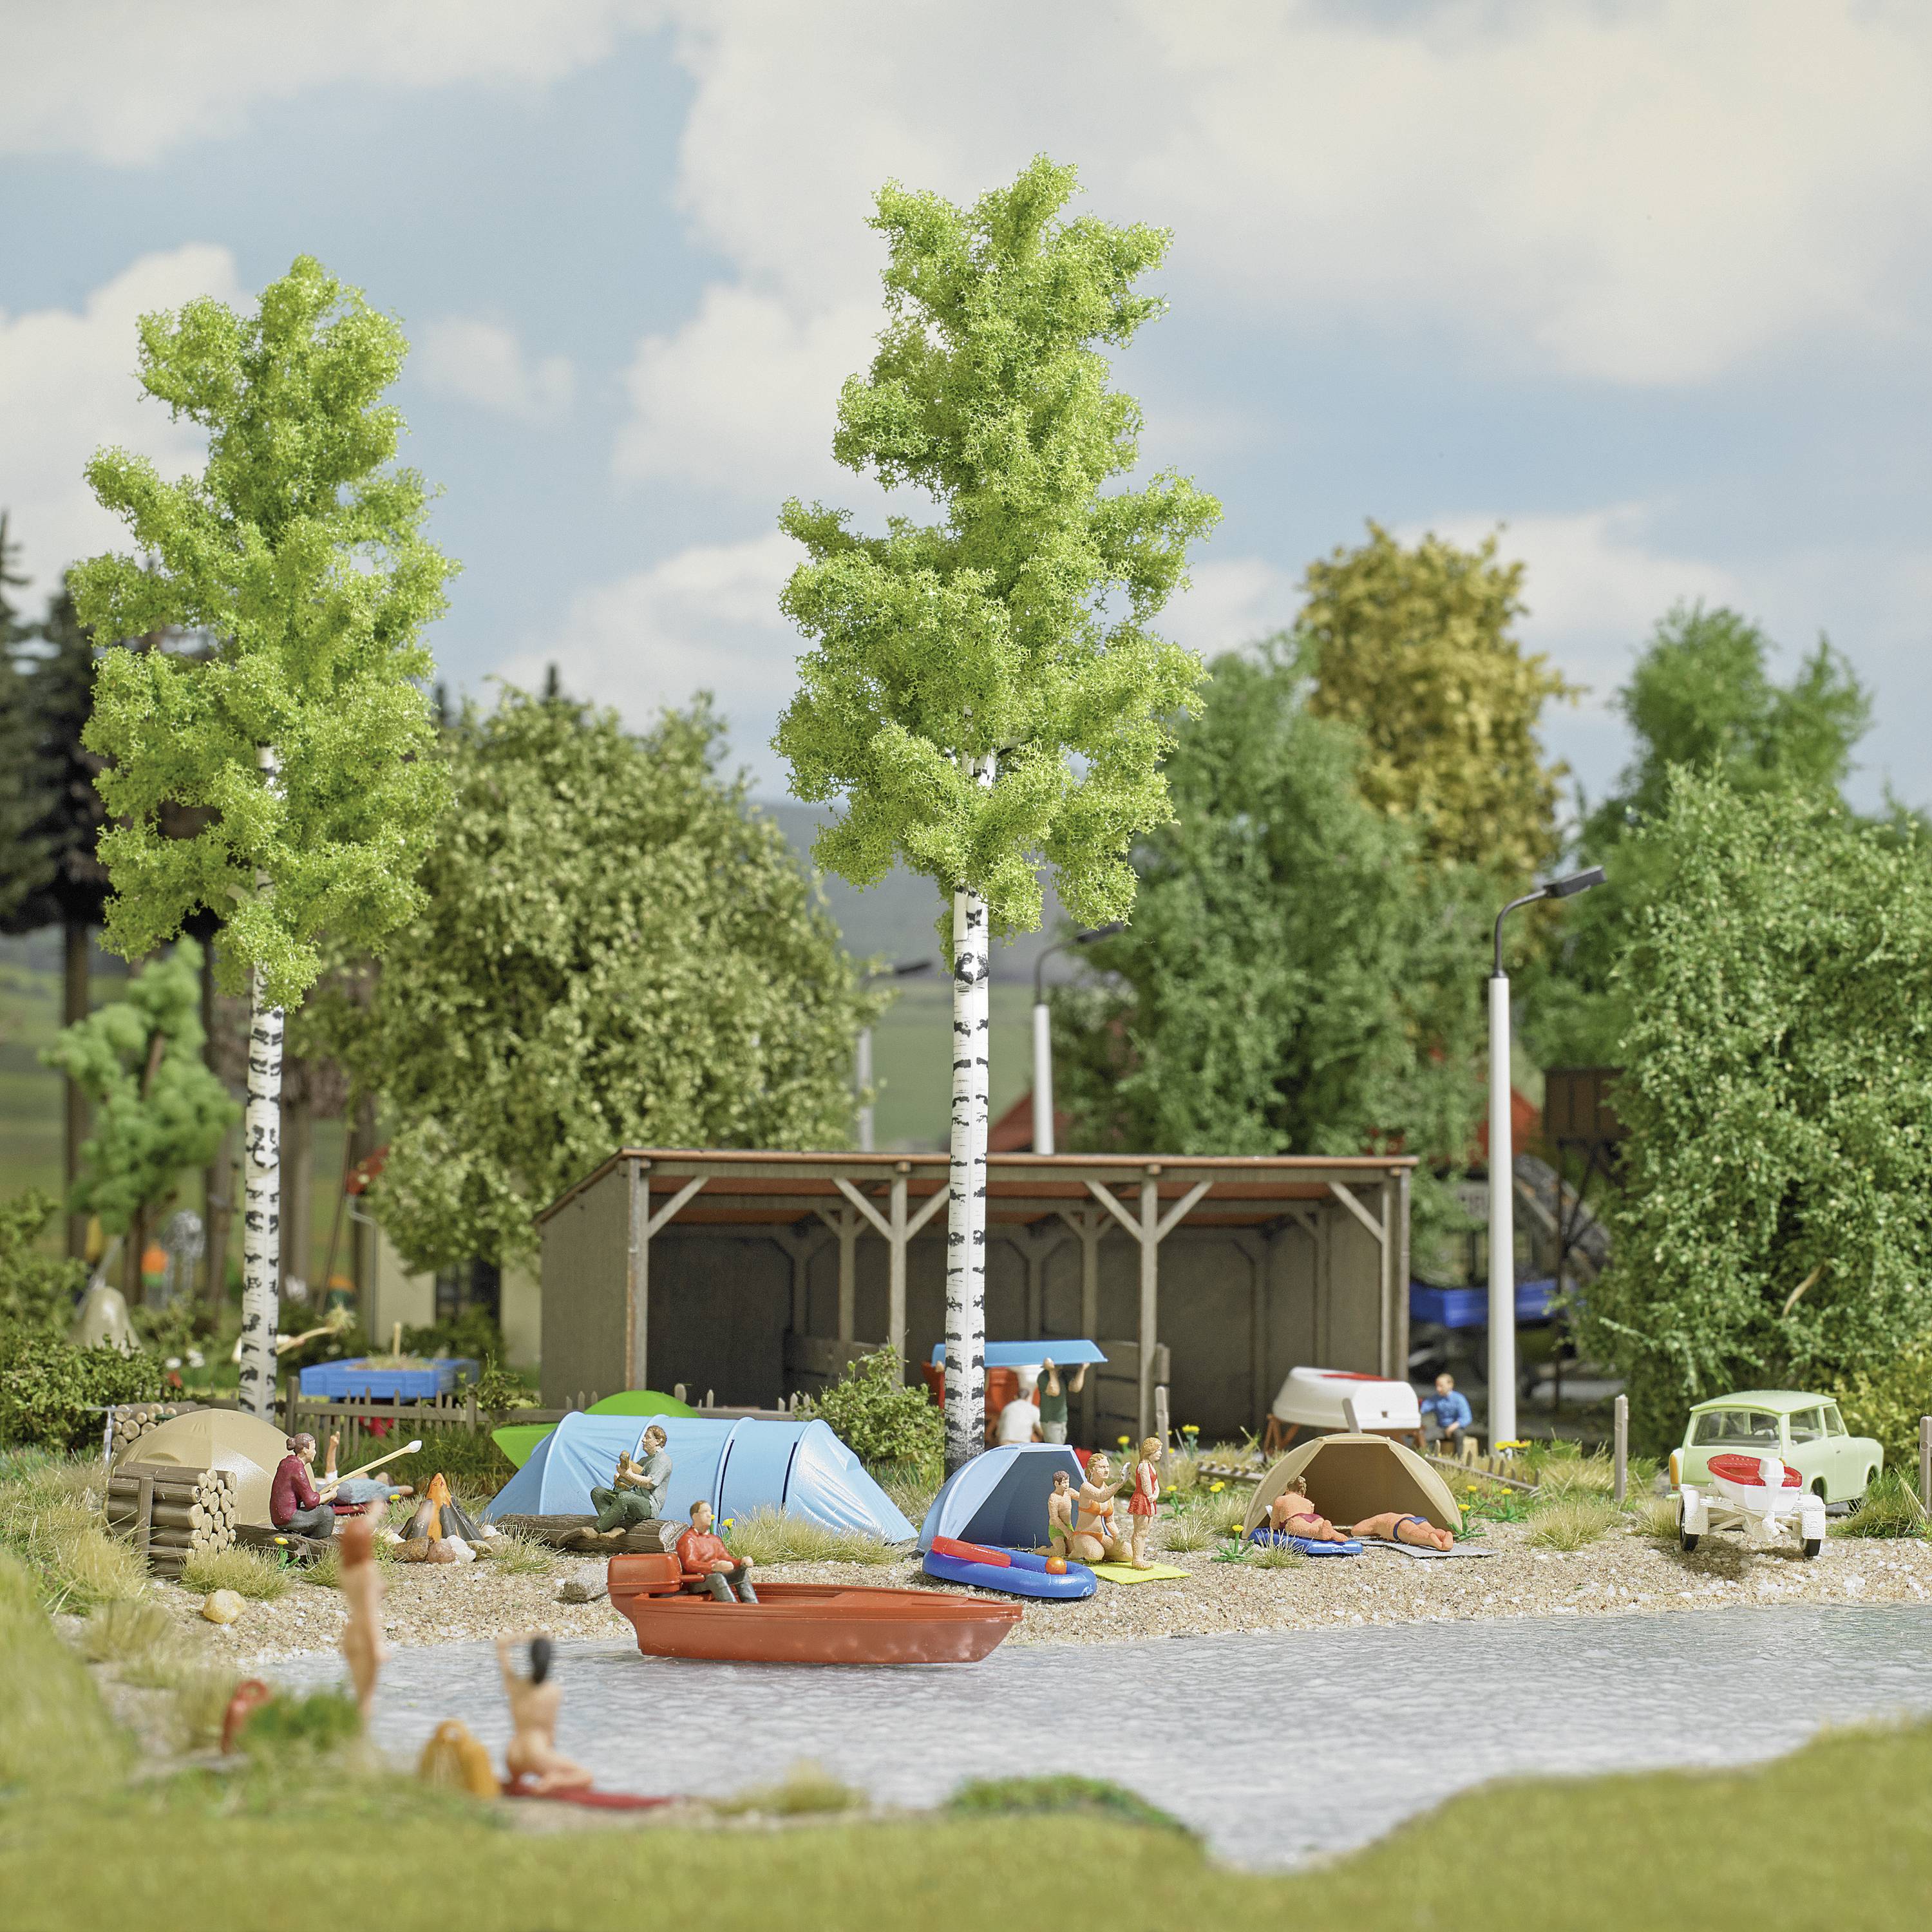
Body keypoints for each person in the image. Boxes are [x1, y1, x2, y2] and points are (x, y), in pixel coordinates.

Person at [497, 1634, 593, 1794]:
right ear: (550, 1660)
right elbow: (550, 1734)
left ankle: (513, 1782)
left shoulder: (515, 1686)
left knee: (514, 1784)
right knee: (586, 1776)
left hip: (513, 1754)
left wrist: (515, 1640)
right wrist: (549, 1760)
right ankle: (554, 1781)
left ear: (530, 1658)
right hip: (536, 1752)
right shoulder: (553, 1692)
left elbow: (502, 1650)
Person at [337, 1515, 388, 1716]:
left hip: (351, 1635)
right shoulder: (366, 1572)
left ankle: (358, 1734)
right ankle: (361, 1737)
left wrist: (374, 1512)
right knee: (366, 1697)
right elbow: (368, 1613)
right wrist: (377, 1646)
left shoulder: (346, 1570)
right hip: (364, 1637)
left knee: (360, 1692)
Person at [589, 1426, 673, 1536]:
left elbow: (649, 1483)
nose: (643, 1440)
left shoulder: (663, 1460)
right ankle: (612, 1528)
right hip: (633, 1499)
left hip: (648, 1505)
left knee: (625, 1497)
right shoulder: (644, 1460)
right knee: (598, 1492)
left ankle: (598, 1530)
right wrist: (620, 1481)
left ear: (658, 1441)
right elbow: (632, 1484)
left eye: (647, 1438)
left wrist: (628, 1475)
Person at [676, 1500, 759, 1603]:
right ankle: (731, 1609)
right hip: (697, 1581)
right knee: (716, 1578)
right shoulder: (688, 1539)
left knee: (741, 1573)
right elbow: (690, 1564)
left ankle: (753, 1606)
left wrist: (741, 1562)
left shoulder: (714, 1539)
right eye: (705, 1512)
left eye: (710, 1512)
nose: (709, 1515)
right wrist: (713, 1567)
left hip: (715, 1576)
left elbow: (726, 1558)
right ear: (695, 1516)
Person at [270, 1432, 337, 1540]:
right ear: (305, 1450)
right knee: (327, 1513)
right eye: (313, 1449)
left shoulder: (287, 1462)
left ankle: (305, 1537)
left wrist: (323, 1496)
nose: (315, 1452)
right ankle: (317, 1544)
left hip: (280, 1515)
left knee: (319, 1510)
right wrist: (331, 1495)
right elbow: (311, 1501)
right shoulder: (297, 1468)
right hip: (287, 1517)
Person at [1066, 1453, 1131, 1565]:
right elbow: (1101, 1497)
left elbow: (1110, 1522)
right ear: (1092, 1470)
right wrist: (1119, 1483)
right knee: (1095, 1555)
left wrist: (1118, 1536)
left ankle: (1103, 1551)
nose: (1106, 1470)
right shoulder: (1086, 1487)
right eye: (1102, 1467)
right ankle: (1077, 1551)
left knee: (1129, 1553)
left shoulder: (1109, 1490)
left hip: (1100, 1536)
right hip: (1083, 1535)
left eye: (1107, 1467)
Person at [1262, 1476, 1355, 1546]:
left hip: (1296, 1519)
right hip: (1314, 1517)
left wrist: (1275, 1528)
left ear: (1287, 1490)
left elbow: (1275, 1522)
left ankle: (1320, 1533)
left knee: (1308, 1530)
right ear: (1302, 1494)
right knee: (1317, 1525)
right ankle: (1334, 1533)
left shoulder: (1281, 1499)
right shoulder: (1308, 1501)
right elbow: (1309, 1516)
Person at [1128, 1436, 1163, 1568]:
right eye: (1158, 1450)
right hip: (1143, 1500)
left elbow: (1156, 1484)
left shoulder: (1151, 1466)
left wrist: (1156, 1494)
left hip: (1150, 1500)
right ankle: (1137, 1559)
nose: (1160, 1453)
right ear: (1150, 1452)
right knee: (1140, 1531)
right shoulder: (1143, 1466)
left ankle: (1140, 1558)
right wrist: (1151, 1496)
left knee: (1145, 1532)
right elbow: (1146, 1485)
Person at [1349, 1511, 1457, 1553]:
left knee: (1414, 1533)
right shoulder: (1392, 1515)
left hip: (1399, 1525)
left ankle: (1431, 1541)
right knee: (1432, 1530)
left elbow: (1356, 1531)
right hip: (1416, 1518)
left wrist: (1375, 1530)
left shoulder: (1378, 1520)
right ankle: (1445, 1535)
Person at [1036, 1358, 1086, 1446]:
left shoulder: (1063, 1375)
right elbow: (1055, 1391)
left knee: (1060, 1446)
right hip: (1051, 1420)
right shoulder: (1043, 1377)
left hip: (1062, 1418)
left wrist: (1082, 1370)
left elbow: (1075, 1388)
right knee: (1055, 1449)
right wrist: (1052, 1371)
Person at [1420, 1373, 1473, 1455]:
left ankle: (1458, 1459)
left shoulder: (1459, 1399)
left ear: (1450, 1385)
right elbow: (1424, 1408)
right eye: (1437, 1386)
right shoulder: (1435, 1398)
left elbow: (1466, 1418)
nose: (1438, 1389)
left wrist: (1452, 1427)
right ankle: (1427, 1457)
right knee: (1423, 1437)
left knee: (1459, 1435)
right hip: (1441, 1428)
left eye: (1441, 1386)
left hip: (1455, 1428)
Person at [996, 1369, 1043, 1446]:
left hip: (1005, 1442)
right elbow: (1041, 1429)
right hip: (1022, 1443)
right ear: (1028, 1398)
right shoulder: (1033, 1409)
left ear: (1015, 1397)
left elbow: (999, 1431)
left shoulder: (1007, 1408)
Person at [1045, 1468, 1077, 1557]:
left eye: (1068, 1482)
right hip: (1056, 1529)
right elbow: (1055, 1518)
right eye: (1064, 1483)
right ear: (1056, 1484)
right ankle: (1042, 1551)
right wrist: (1066, 1531)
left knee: (1075, 1551)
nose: (1066, 1485)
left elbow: (1082, 1498)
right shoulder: (1054, 1498)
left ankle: (1060, 1547)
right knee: (1060, 1553)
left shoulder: (1069, 1492)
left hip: (1069, 1526)